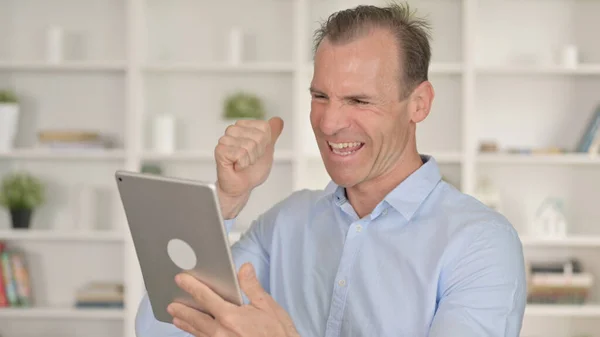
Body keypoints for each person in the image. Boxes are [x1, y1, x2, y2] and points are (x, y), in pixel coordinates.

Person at [135, 3, 527, 337]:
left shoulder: (480, 244)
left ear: (419, 104)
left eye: (358, 100)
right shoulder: (286, 224)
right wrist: (226, 200)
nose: (328, 123)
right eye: (320, 96)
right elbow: (160, 328)